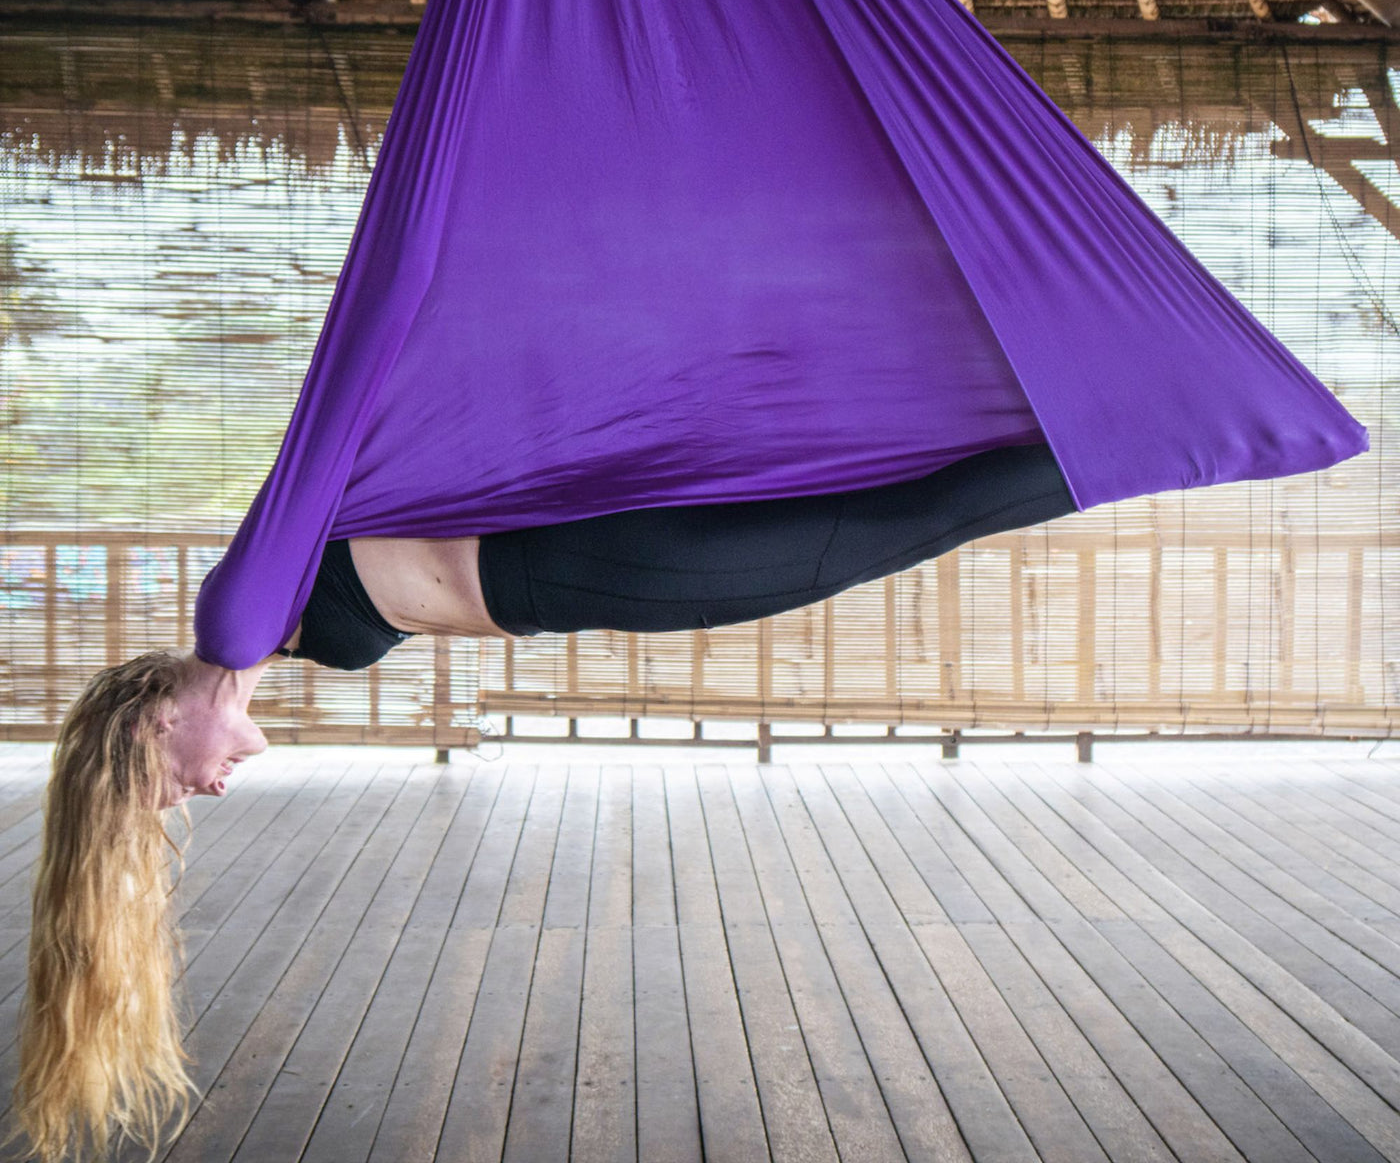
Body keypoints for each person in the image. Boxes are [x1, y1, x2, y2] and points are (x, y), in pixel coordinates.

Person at [12, 439, 1073, 1162]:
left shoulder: (233, 615)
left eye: (162, 783)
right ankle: (1102, 443)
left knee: (860, 534)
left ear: (153, 722)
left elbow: (319, 451)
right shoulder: (255, 634)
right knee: (861, 527)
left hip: (572, 563)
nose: (197, 789)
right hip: (566, 568)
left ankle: (1122, 443)